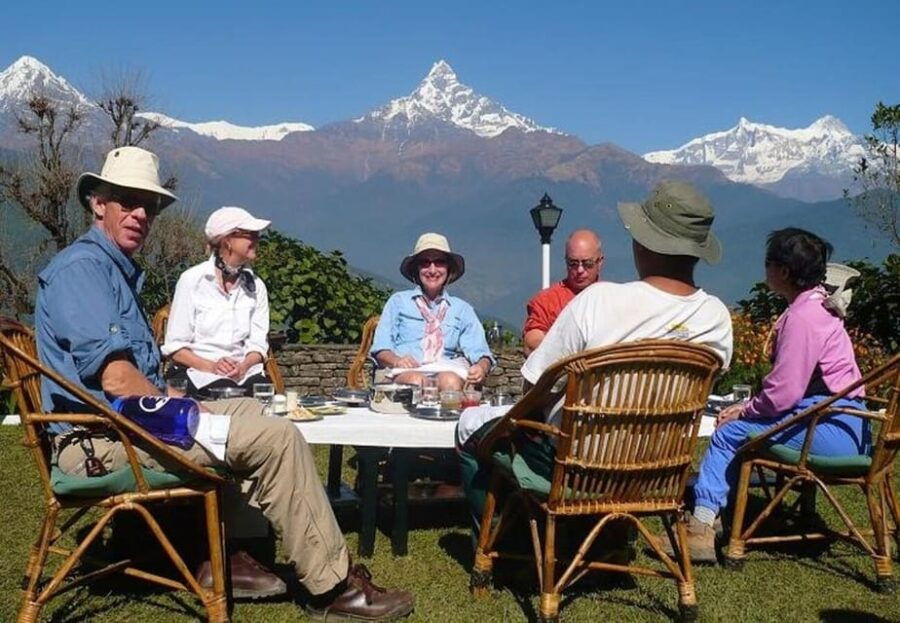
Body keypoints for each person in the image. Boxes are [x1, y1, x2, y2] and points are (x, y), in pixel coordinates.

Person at [35, 146, 414, 620]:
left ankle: (228, 554)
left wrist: (188, 403)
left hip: (125, 427)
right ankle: (332, 586)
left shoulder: (111, 271)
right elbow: (117, 378)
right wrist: (190, 413)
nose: (140, 214)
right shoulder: (83, 269)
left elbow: (143, 379)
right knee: (272, 437)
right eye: (127, 201)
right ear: (98, 203)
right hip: (99, 444)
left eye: (147, 207)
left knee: (256, 415)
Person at [457, 180, 734, 535]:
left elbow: (534, 382)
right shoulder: (715, 317)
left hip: (580, 466)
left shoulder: (598, 301)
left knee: (470, 426)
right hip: (657, 467)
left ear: (642, 244)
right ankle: (607, 539)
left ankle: (505, 543)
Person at [673, 228, 868, 563]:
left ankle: (702, 528)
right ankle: (716, 514)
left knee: (728, 433)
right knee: (737, 426)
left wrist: (744, 411)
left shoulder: (803, 318)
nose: (764, 269)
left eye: (768, 263)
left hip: (831, 432)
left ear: (784, 272)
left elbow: (784, 394)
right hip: (853, 427)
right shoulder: (820, 307)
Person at [162, 206, 271, 400]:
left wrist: (243, 366)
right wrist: (212, 366)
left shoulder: (256, 286)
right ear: (227, 240)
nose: (256, 239)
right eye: (249, 234)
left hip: (243, 374)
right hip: (198, 372)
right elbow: (176, 348)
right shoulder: (192, 281)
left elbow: (258, 345)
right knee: (224, 392)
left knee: (264, 392)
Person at [370, 233, 494, 391]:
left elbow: (481, 352)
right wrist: (396, 360)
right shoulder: (399, 302)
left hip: (446, 370)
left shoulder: (462, 309)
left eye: (440, 262)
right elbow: (380, 348)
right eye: (425, 263)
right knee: (416, 381)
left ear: (448, 269)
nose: (432, 269)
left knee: (450, 382)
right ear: (417, 269)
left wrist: (481, 368)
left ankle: (446, 415)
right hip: (405, 372)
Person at [522, 229, 603, 354]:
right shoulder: (547, 300)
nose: (580, 270)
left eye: (587, 263)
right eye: (573, 263)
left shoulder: (612, 298)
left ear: (600, 262)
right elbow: (532, 340)